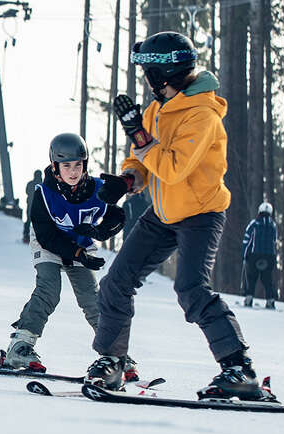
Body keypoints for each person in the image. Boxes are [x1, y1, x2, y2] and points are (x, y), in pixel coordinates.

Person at [84, 31, 273, 401]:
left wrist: (140, 136)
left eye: (147, 71)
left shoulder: (202, 115)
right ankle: (112, 361)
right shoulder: (158, 109)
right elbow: (143, 160)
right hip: (164, 211)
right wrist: (126, 181)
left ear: (162, 74)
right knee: (116, 281)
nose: (144, 79)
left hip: (201, 213)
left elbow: (172, 168)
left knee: (191, 288)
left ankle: (239, 369)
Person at [0, 133, 134, 377]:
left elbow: (116, 216)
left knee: (92, 299)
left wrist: (100, 231)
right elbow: (47, 236)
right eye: (66, 165)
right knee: (49, 290)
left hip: (80, 244)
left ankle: (114, 354)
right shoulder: (44, 194)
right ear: (55, 167)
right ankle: (20, 345)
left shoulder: (97, 189)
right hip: (49, 243)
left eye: (78, 164)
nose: (73, 171)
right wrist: (78, 253)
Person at [241, 202, 278, 309]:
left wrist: (244, 255)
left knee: (251, 277)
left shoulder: (254, 223)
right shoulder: (273, 225)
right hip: (269, 256)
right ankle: (270, 300)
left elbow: (247, 240)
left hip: (255, 255)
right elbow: (275, 240)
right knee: (267, 279)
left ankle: (249, 298)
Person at [22, 169, 43, 243]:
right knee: (40, 223)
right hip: (40, 208)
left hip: (30, 206)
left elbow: (27, 192)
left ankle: (26, 236)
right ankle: (40, 238)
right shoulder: (42, 184)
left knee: (28, 221)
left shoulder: (30, 183)